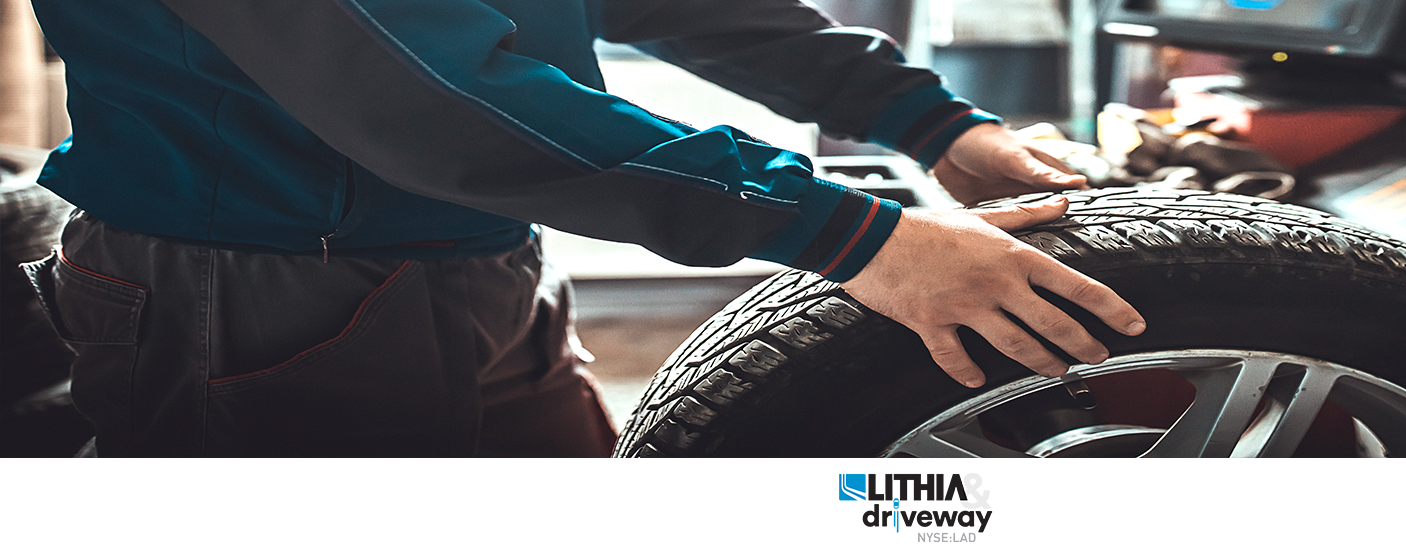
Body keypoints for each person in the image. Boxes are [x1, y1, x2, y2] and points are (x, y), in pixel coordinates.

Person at [25, 0, 1145, 457]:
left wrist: (924, 118)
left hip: (473, 257)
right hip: (257, 295)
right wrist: (855, 237)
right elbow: (435, 102)